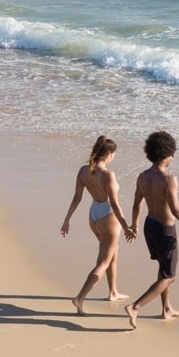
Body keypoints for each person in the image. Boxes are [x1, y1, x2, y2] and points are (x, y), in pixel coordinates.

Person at [125, 131, 179, 329]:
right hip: (165, 230)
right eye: (173, 153)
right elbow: (175, 210)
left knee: (163, 270)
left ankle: (166, 309)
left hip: (149, 226)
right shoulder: (169, 179)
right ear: (166, 154)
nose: (173, 157)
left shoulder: (143, 177)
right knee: (169, 276)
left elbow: (136, 204)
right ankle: (136, 306)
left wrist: (134, 225)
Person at [61, 135, 134, 315]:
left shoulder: (84, 171)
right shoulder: (108, 174)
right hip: (109, 216)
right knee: (103, 262)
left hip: (93, 215)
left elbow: (77, 197)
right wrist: (126, 226)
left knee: (112, 254)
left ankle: (113, 292)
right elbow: (115, 204)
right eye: (113, 154)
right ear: (108, 154)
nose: (114, 157)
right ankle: (80, 298)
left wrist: (67, 220)